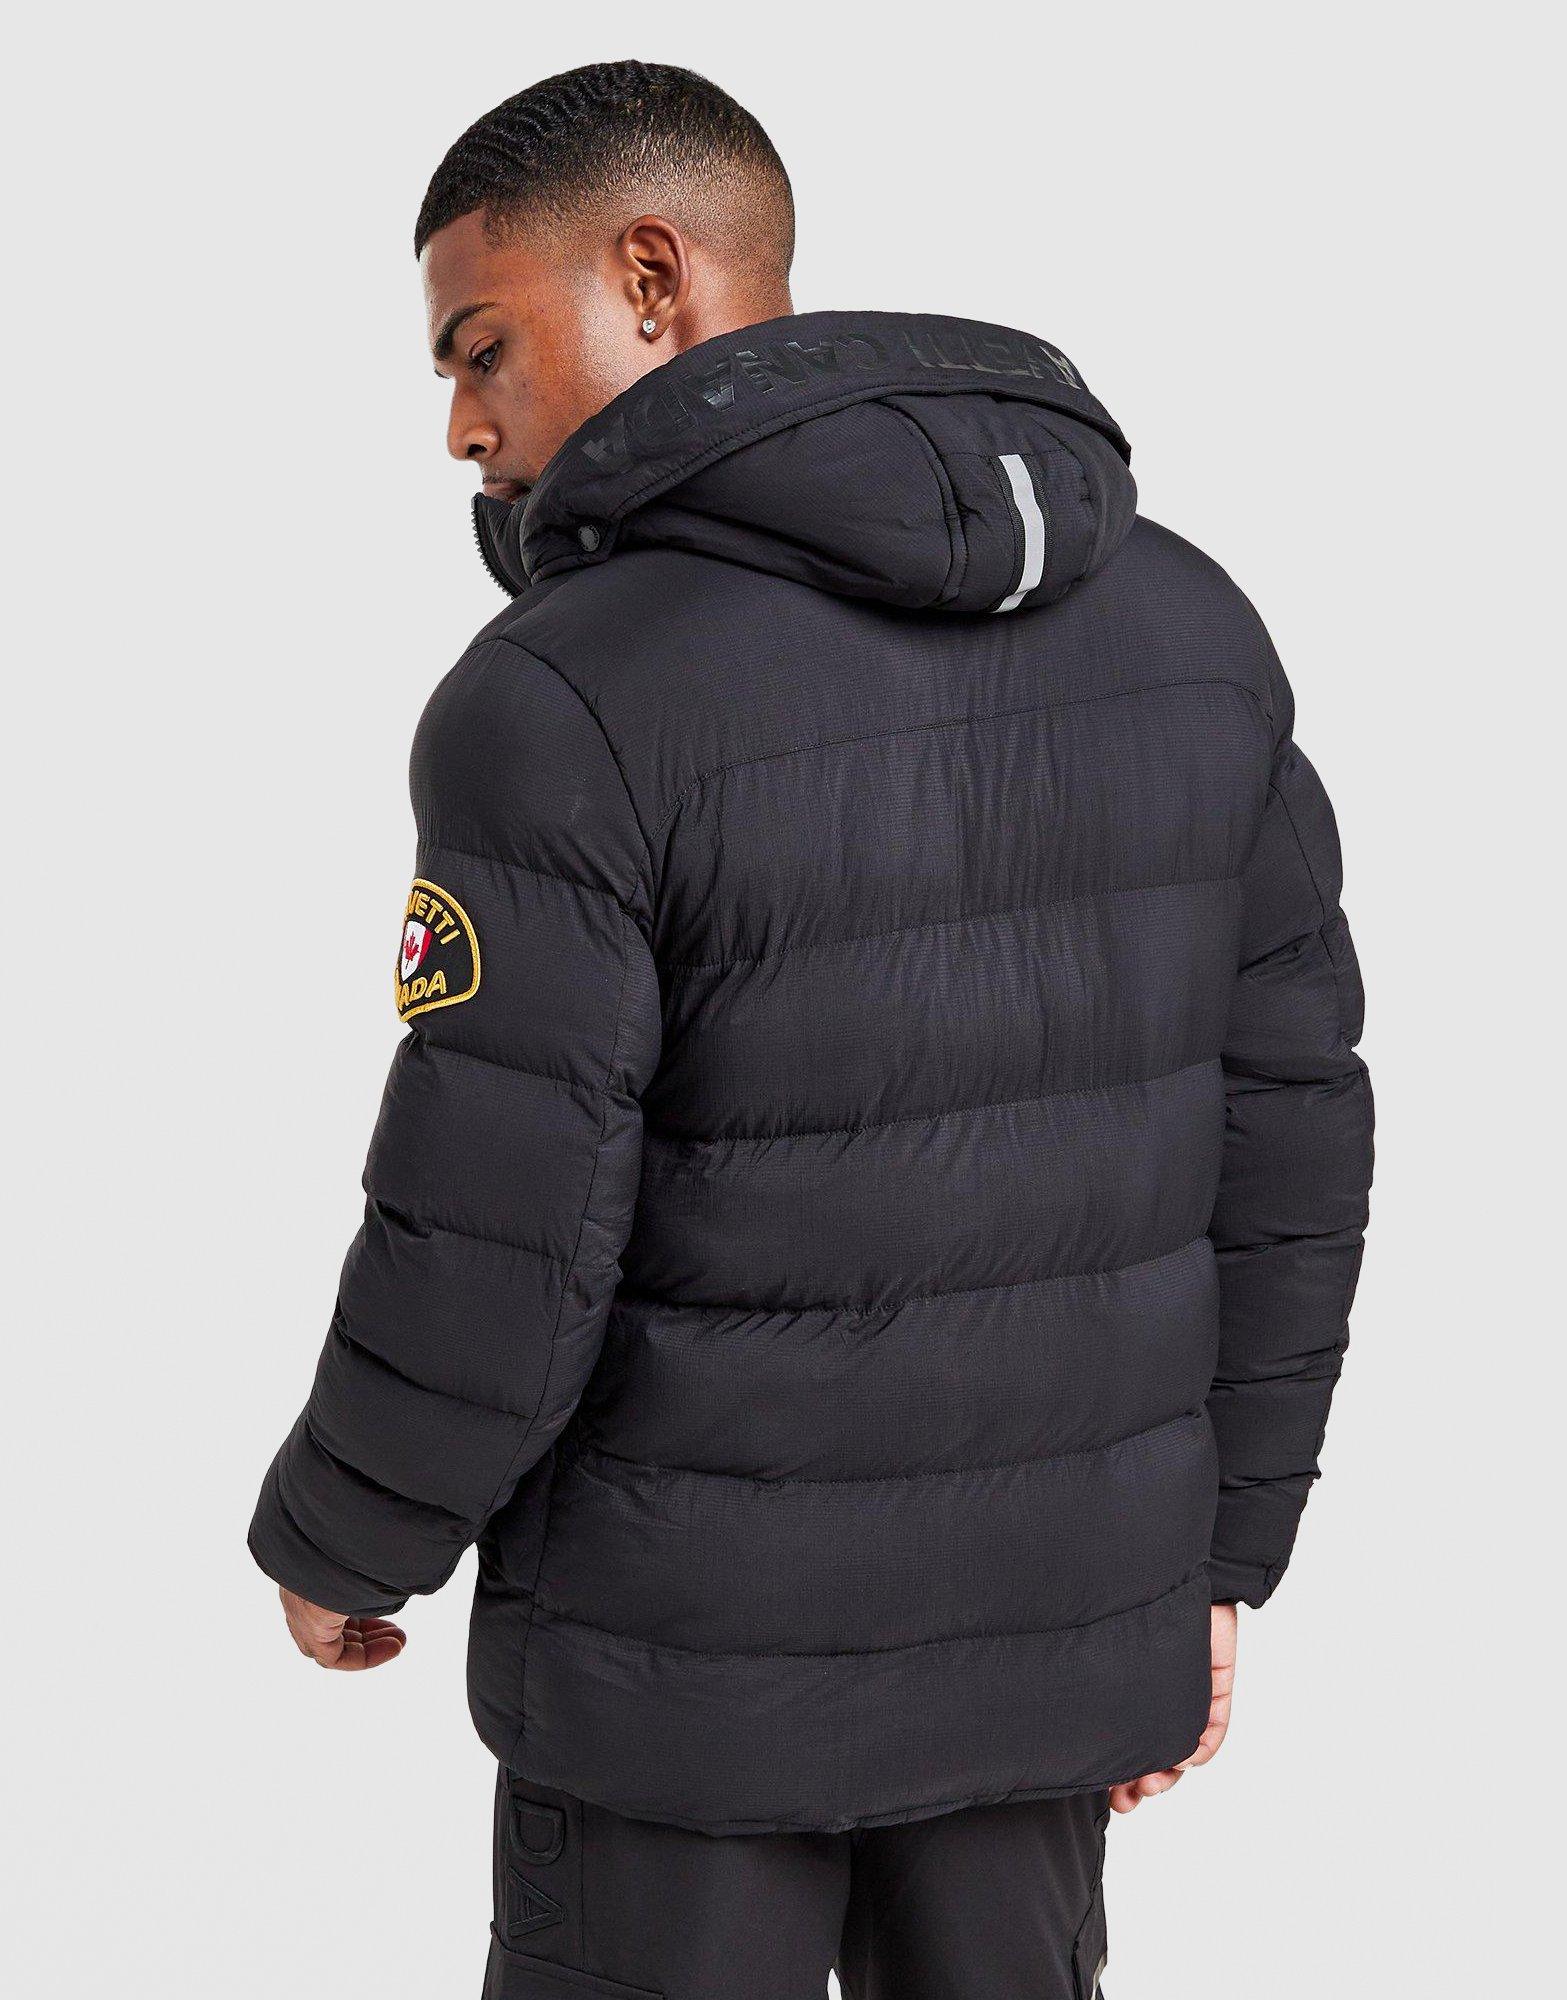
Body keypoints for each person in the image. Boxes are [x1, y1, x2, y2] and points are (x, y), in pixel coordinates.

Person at [249, 60, 1373, 2000]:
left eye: (480, 346)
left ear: (653, 277)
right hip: (1048, 1651)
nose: (460, 425)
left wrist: (348, 1532)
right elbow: (1293, 1142)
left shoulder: (564, 700)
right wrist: (1213, 1560)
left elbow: (502, 1223)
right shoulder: (1191, 627)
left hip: (678, 1700)